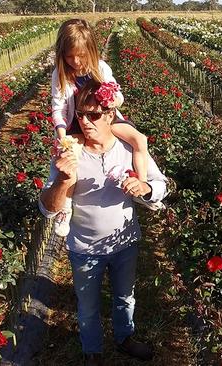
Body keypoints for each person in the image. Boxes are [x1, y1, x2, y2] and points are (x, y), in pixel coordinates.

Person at [39, 79, 168, 365]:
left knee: (125, 297)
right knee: (87, 307)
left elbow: (161, 184)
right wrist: (61, 181)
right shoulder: (68, 154)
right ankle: (92, 351)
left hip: (124, 243)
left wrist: (146, 188)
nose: (85, 122)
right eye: (80, 115)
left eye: (93, 115)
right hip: (84, 248)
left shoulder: (128, 148)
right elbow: (47, 209)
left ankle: (124, 338)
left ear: (111, 114)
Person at [51, 18, 153, 237]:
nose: (76, 61)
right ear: (61, 54)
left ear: (91, 50)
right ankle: (65, 210)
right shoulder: (60, 74)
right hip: (75, 123)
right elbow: (58, 108)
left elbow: (119, 97)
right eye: (69, 56)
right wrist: (63, 138)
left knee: (139, 140)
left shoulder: (101, 68)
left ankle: (141, 183)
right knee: (71, 160)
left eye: (81, 55)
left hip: (105, 119)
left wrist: (112, 101)